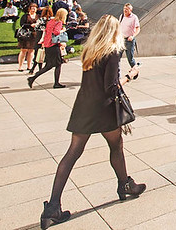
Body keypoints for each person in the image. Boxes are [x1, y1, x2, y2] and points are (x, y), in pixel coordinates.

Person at [39, 15, 145, 229]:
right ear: (115, 32)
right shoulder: (113, 51)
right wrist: (130, 75)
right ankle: (124, 185)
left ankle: (52, 208)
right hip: (103, 109)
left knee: (72, 153)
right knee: (116, 147)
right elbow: (112, 87)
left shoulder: (90, 50)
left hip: (84, 105)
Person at [28, 8, 68, 89]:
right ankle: (56, 83)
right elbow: (56, 32)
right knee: (58, 64)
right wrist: (63, 30)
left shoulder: (51, 21)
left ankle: (33, 78)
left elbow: (46, 31)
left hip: (47, 44)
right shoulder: (59, 22)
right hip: (54, 45)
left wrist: (43, 41)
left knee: (49, 65)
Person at [18, 3, 40, 72]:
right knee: (23, 50)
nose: (33, 9)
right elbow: (22, 24)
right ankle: (20, 66)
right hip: (26, 35)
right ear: (29, 9)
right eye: (32, 7)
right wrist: (30, 25)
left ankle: (29, 66)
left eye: (35, 8)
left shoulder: (38, 16)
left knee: (31, 51)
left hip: (34, 35)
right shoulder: (25, 16)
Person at [119, 4, 140, 68]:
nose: (125, 10)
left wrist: (132, 36)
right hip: (121, 40)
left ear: (130, 10)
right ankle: (117, 74)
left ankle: (135, 71)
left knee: (130, 59)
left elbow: (138, 28)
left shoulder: (134, 17)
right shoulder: (122, 16)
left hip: (129, 40)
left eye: (127, 9)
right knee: (117, 57)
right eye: (124, 8)